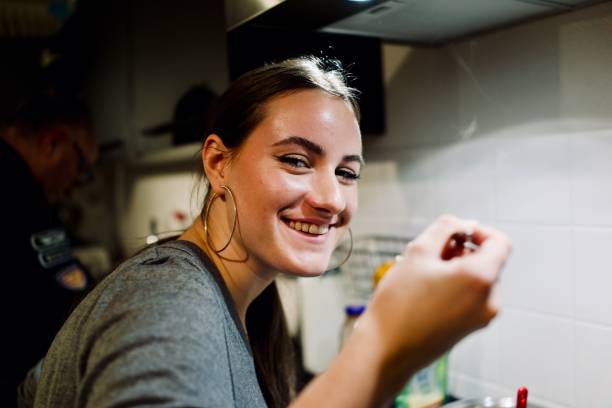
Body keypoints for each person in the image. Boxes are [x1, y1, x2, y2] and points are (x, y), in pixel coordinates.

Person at [20, 57, 511, 408]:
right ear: (218, 164)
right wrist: (387, 343)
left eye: (346, 172)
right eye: (297, 160)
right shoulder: (168, 298)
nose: (331, 200)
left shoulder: (243, 300)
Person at [0, 90, 98, 406]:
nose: (76, 182)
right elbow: (67, 289)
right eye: (81, 166)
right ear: (53, 141)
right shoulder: (22, 195)